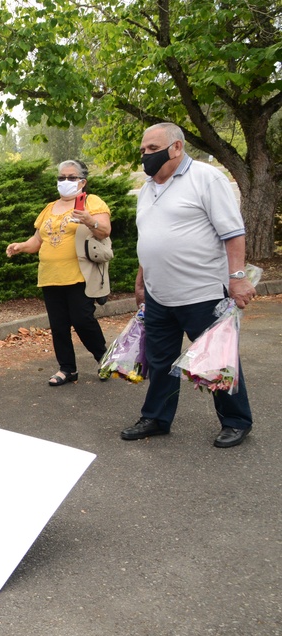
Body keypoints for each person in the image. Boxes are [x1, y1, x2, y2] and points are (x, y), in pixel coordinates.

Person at [120, 123, 256, 448]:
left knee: (216, 361)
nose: (146, 156)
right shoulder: (148, 188)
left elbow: (233, 232)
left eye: (152, 149)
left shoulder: (206, 179)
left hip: (202, 293)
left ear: (177, 147)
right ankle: (156, 418)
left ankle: (236, 421)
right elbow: (150, 239)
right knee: (159, 360)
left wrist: (238, 278)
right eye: (143, 151)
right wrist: (141, 281)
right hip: (158, 295)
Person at [6, 160, 112, 386]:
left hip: (79, 275)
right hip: (50, 275)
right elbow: (37, 240)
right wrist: (20, 246)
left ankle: (105, 358)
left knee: (83, 320)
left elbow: (104, 231)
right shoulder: (49, 208)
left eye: (71, 177)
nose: (65, 181)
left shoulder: (92, 202)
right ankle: (67, 369)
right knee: (59, 325)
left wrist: (89, 220)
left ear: (82, 182)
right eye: (61, 177)